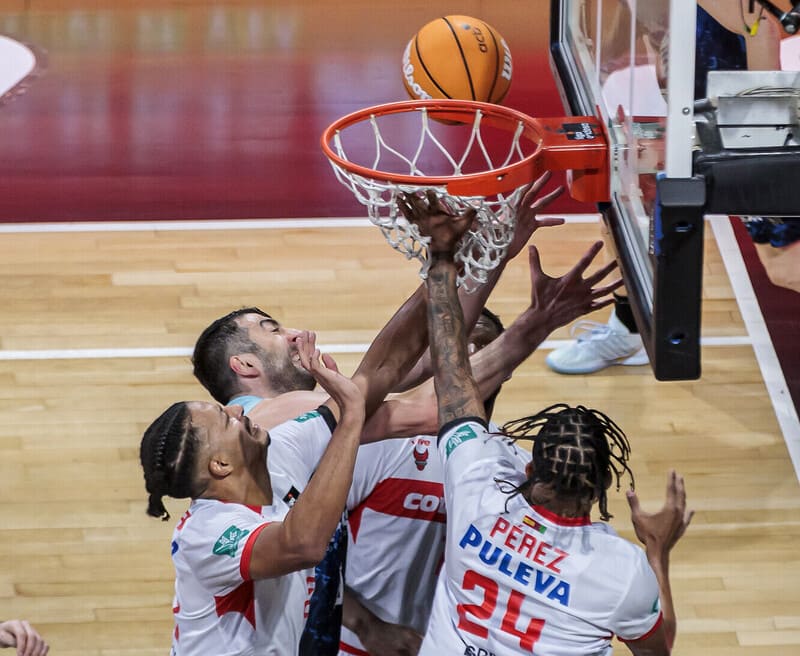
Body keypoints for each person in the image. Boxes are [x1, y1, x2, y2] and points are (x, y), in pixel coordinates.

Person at [403, 190, 693, 655]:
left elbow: (452, 368)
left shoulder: (476, 483)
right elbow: (658, 651)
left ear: (530, 469)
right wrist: (656, 551)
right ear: (601, 488)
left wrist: (441, 255)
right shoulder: (623, 570)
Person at [141, 257, 436, 655]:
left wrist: (444, 266)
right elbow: (303, 545)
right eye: (225, 419)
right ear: (221, 465)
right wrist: (350, 419)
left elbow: (376, 375)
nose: (239, 411)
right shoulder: (209, 535)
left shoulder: (277, 450)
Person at [546, 0, 791, 374]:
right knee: (624, 211)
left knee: (782, 264)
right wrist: (605, 64)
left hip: (733, 119)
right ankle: (629, 328)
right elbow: (644, 20)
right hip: (684, 111)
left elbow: (762, 28)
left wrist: (762, 137)